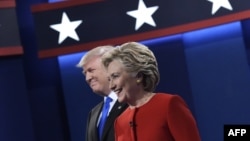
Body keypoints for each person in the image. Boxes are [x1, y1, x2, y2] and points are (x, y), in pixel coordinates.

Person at [101, 42, 201, 141]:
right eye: (109, 79)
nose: (111, 86)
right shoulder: (119, 121)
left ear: (139, 76)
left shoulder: (168, 104)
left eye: (115, 76)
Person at [77, 45, 128, 141]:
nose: (87, 78)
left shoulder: (131, 101)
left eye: (91, 70)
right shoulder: (93, 114)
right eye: (85, 73)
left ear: (110, 67)